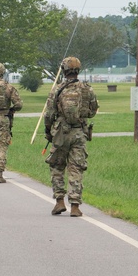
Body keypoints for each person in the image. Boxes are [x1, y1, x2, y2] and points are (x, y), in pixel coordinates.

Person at [43, 56, 98, 217]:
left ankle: (59, 201)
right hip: (79, 132)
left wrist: (48, 131)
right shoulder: (87, 89)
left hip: (60, 133)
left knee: (57, 166)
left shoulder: (57, 89)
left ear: (64, 70)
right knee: (76, 167)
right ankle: (75, 205)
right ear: (78, 70)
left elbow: (49, 114)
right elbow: (93, 110)